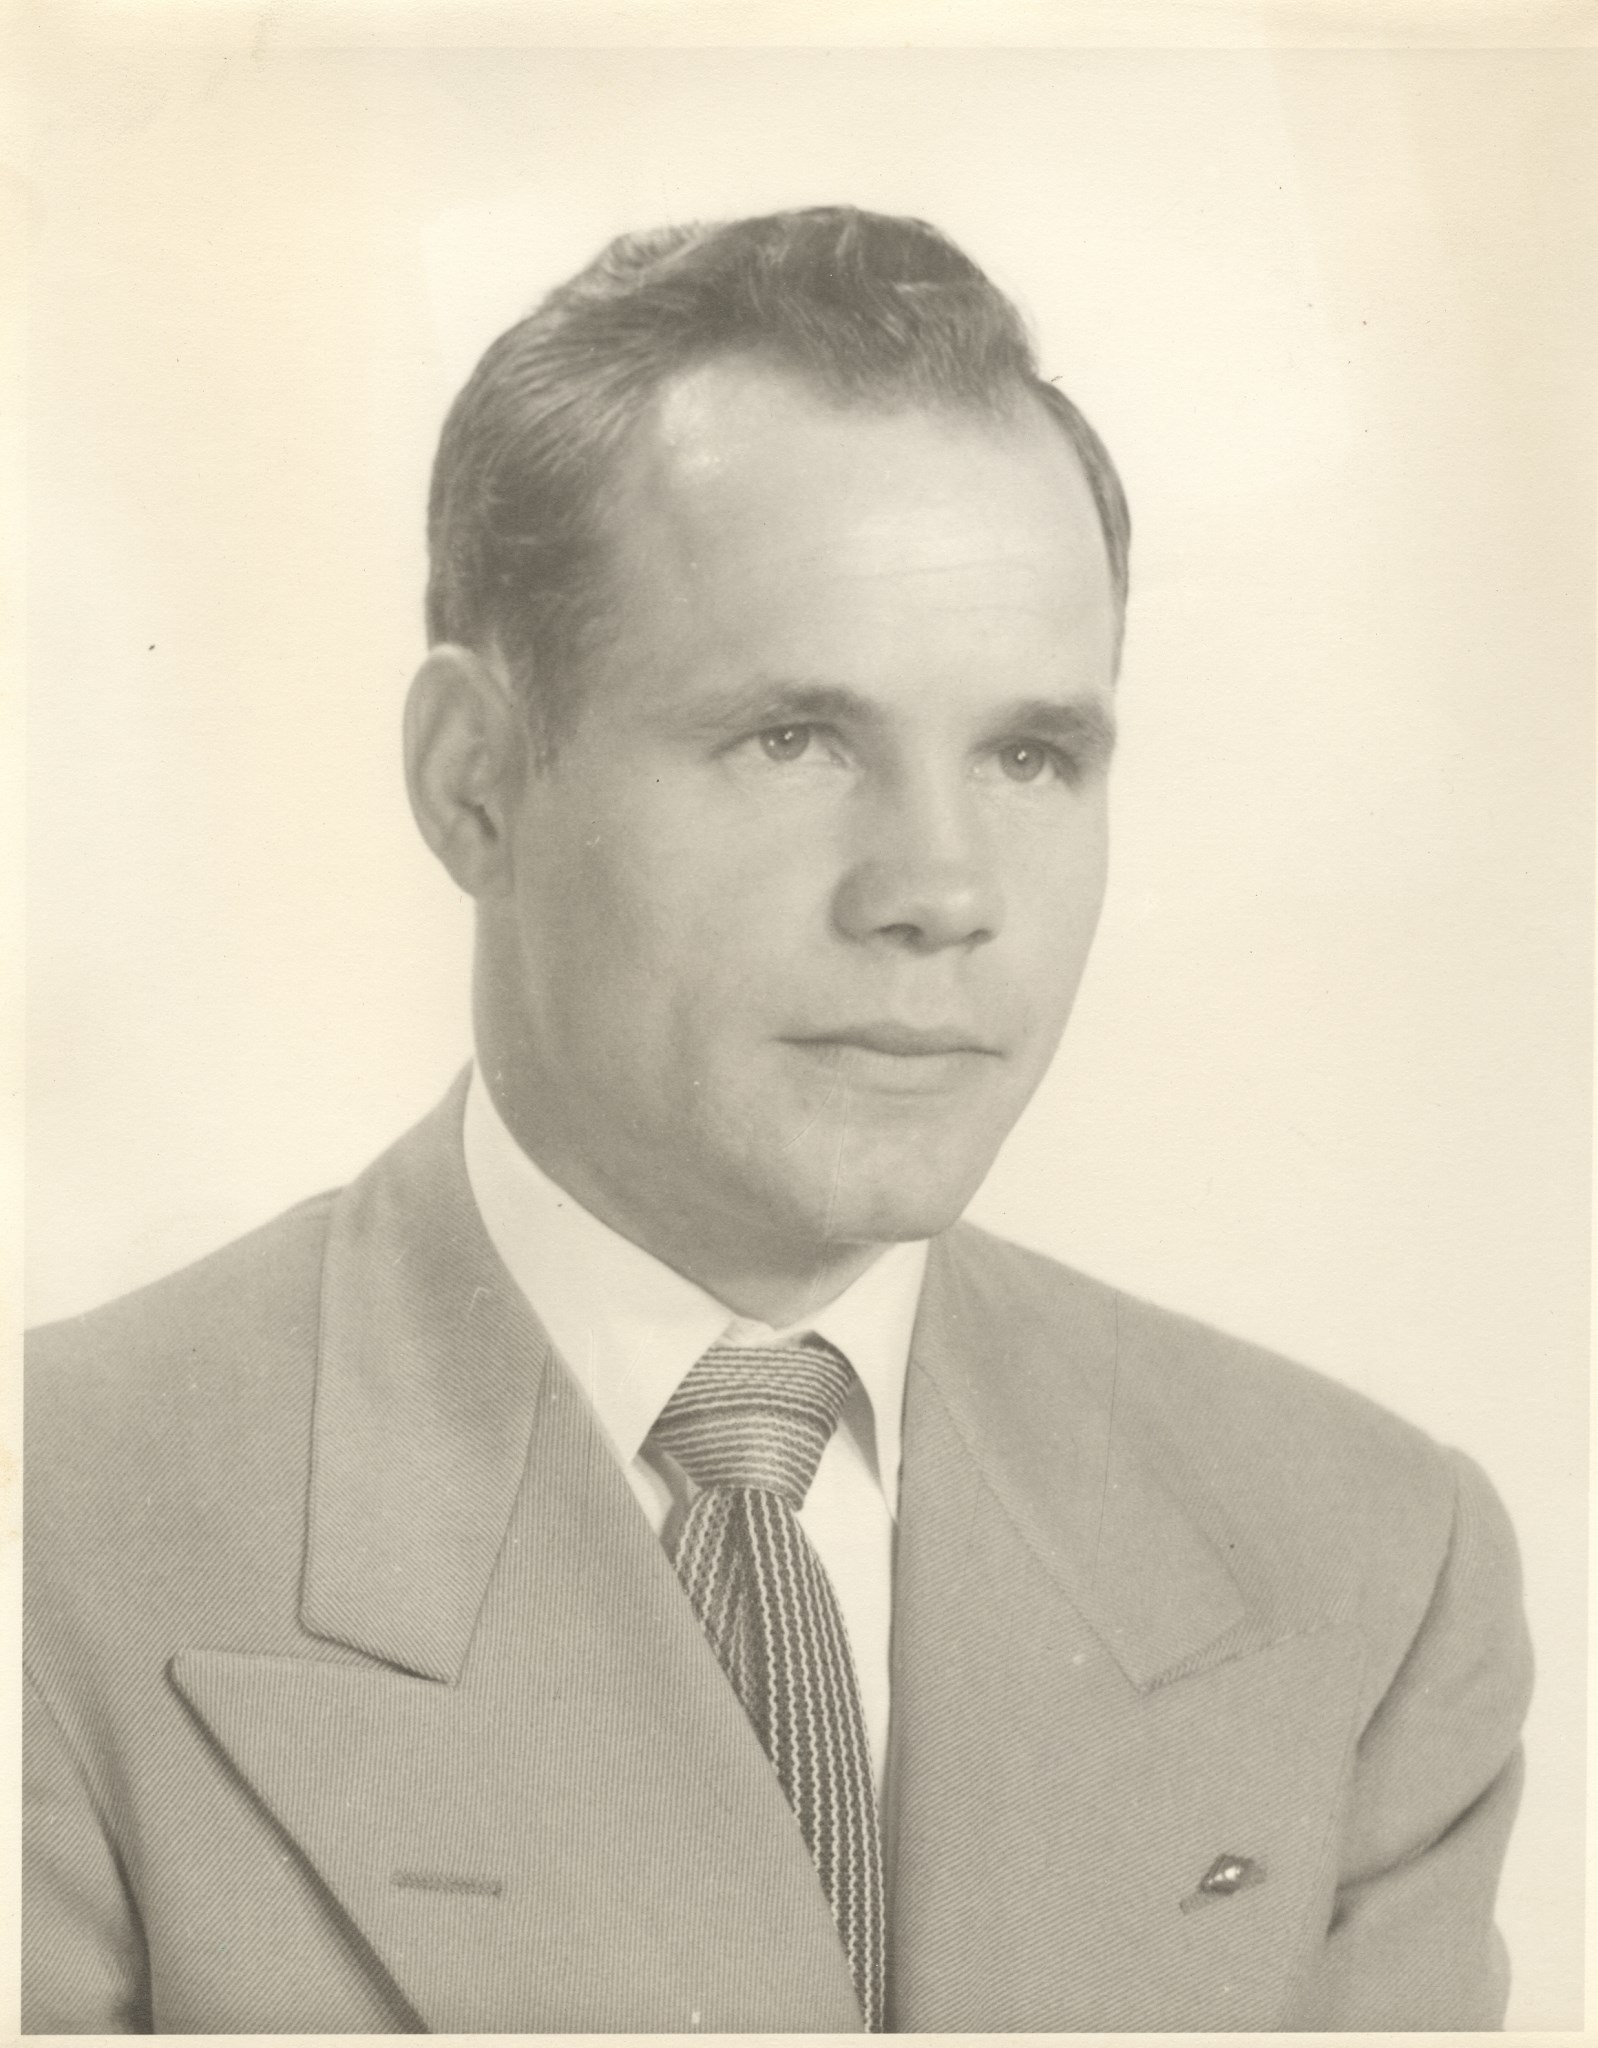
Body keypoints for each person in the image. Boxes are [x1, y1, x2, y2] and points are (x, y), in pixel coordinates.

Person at [24, 206, 1531, 2035]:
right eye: (792, 739)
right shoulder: (61, 1533)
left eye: (1030, 755)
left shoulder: (1361, 1561)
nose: (939, 891)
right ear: (473, 782)